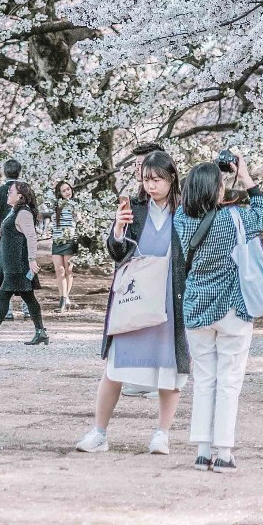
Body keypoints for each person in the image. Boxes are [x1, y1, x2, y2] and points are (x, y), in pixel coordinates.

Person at [76, 149, 189, 456]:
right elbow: (116, 251)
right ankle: (99, 432)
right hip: (135, 295)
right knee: (115, 365)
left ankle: (161, 434)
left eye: (158, 179)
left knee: (170, 368)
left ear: (172, 178)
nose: (151, 185)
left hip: (170, 295)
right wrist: (117, 229)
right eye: (146, 179)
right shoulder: (134, 208)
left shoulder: (185, 210)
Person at [175, 156, 263, 471]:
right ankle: (224, 452)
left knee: (204, 379)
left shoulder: (180, 218)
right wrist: (243, 175)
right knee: (229, 380)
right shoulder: (234, 219)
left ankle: (203, 450)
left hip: (196, 309)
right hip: (231, 308)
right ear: (217, 190)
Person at [0, 180, 48, 345]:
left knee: (4, 296)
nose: (8, 193)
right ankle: (40, 332)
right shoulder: (15, 211)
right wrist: (1, 232)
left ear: (20, 196)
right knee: (29, 298)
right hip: (11, 263)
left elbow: (31, 236)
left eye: (11, 192)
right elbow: (16, 231)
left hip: (18, 265)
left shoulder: (24, 213)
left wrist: (31, 260)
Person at [47, 180, 80, 311]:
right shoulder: (55, 205)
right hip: (57, 241)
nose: (67, 192)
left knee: (68, 270)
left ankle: (64, 299)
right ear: (59, 194)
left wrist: (76, 212)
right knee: (59, 270)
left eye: (68, 189)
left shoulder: (75, 204)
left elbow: (79, 219)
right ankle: (63, 298)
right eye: (64, 190)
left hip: (70, 241)